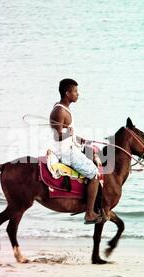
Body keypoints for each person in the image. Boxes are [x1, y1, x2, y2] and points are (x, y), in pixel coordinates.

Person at [49, 79, 103, 224]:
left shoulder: (63, 108)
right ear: (67, 93)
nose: (78, 94)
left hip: (71, 146)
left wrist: (78, 138)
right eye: (75, 91)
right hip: (65, 152)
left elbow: (66, 132)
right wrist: (69, 134)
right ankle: (90, 214)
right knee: (94, 174)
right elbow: (57, 136)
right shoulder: (59, 111)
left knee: (93, 153)